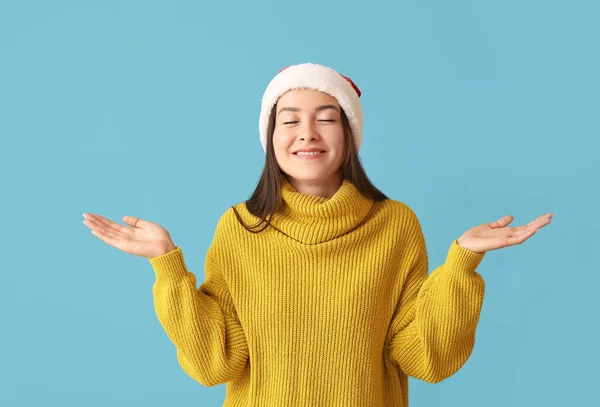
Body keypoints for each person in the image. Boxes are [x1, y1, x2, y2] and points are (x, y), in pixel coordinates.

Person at [82, 62, 553, 406]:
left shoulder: (395, 225)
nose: (307, 133)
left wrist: (462, 264)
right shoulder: (239, 227)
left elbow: (424, 358)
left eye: (326, 118)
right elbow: (214, 364)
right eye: (289, 120)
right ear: (270, 140)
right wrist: (166, 265)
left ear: (350, 135)